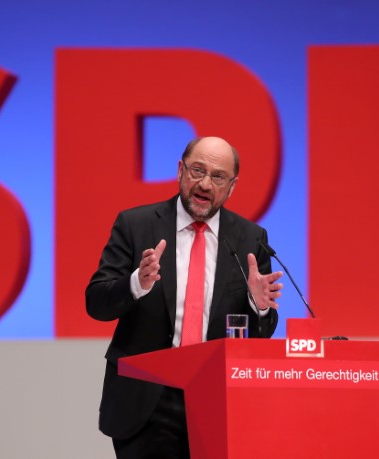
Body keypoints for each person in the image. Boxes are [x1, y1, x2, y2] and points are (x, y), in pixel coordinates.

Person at [85, 136, 284, 458]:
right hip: (147, 398)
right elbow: (97, 303)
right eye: (197, 170)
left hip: (218, 398)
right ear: (180, 170)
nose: (205, 183)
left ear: (232, 186)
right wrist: (138, 281)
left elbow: (263, 330)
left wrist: (259, 307)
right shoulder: (136, 225)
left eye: (218, 176)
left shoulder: (250, 238)